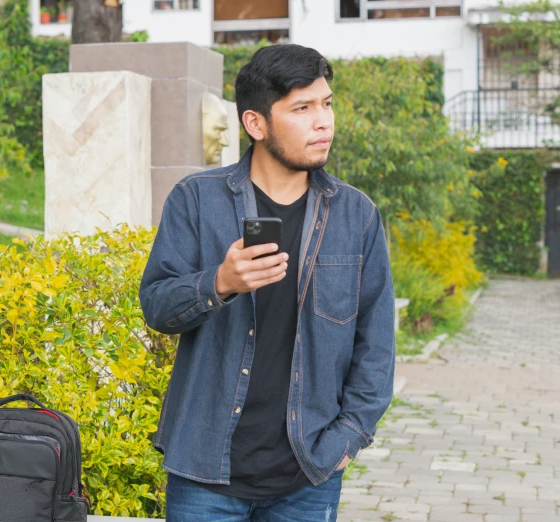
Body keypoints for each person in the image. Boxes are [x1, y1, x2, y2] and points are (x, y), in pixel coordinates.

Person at [139, 44, 395, 521]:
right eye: (302, 108)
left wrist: (348, 439)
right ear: (256, 124)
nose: (324, 122)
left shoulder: (355, 214)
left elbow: (376, 345)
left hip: (307, 474)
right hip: (205, 472)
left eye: (327, 103)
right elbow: (156, 306)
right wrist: (218, 282)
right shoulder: (197, 199)